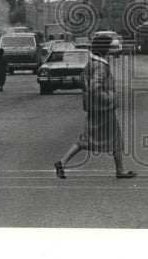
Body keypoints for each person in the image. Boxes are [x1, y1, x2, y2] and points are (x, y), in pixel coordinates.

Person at [55, 36, 136, 180]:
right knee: (116, 138)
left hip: (94, 109)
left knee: (86, 138)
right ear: (104, 49)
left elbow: (82, 80)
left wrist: (89, 96)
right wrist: (109, 99)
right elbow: (95, 87)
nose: (111, 50)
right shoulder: (101, 66)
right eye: (109, 47)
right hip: (104, 109)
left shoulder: (91, 62)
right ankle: (120, 170)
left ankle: (62, 162)